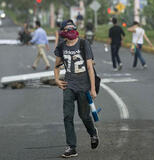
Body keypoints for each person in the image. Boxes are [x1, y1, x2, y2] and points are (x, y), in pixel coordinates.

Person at [54, 19, 99, 158]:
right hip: (69, 85)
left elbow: (90, 67)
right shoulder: (61, 46)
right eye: (67, 29)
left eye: (72, 27)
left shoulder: (84, 43)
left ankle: (93, 133)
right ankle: (71, 147)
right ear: (63, 32)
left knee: (84, 115)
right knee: (67, 116)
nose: (70, 30)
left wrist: (93, 89)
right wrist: (56, 80)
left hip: (84, 86)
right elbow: (56, 66)